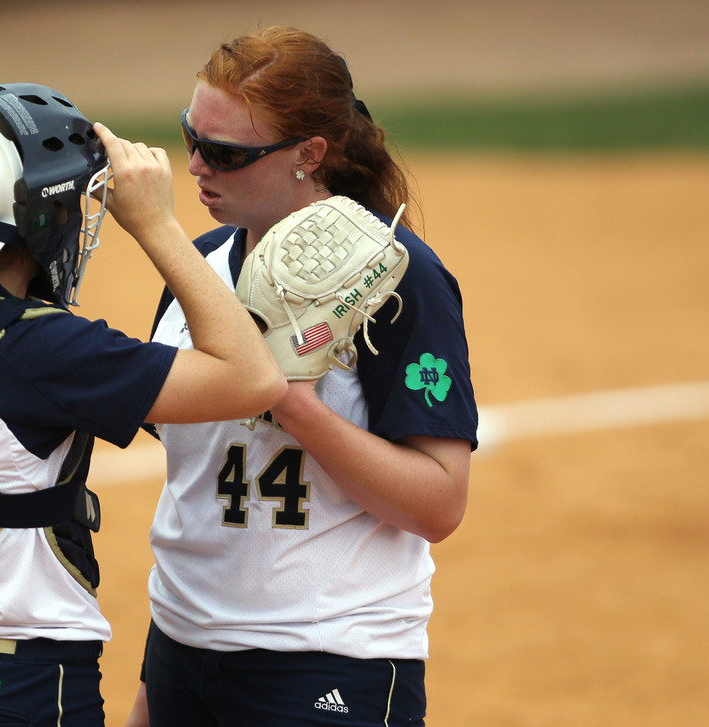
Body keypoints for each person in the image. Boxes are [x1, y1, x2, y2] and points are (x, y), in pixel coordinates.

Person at [0, 82, 286, 727]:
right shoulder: (41, 345)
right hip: (19, 692)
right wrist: (157, 224)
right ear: (41, 216)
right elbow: (251, 379)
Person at [126, 28, 479, 727]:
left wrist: (292, 403)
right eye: (189, 137)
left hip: (325, 659)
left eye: (224, 152)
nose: (194, 165)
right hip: (182, 647)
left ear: (308, 154)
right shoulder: (197, 271)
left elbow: (438, 504)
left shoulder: (399, 280)